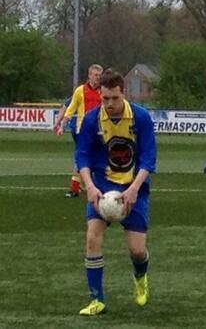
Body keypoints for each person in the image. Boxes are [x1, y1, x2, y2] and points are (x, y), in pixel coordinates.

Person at [75, 69, 157, 316]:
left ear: (124, 93)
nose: (109, 104)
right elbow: (82, 156)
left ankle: (140, 277)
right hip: (101, 187)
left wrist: (133, 189)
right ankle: (96, 300)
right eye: (105, 98)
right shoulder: (92, 119)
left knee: (137, 250)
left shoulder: (140, 118)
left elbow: (148, 157)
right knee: (92, 238)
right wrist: (89, 186)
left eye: (114, 98)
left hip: (133, 188)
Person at [53, 64, 103, 197]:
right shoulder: (80, 90)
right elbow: (70, 109)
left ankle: (95, 185)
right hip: (84, 131)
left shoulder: (103, 91)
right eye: (96, 75)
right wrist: (62, 125)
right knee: (81, 157)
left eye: (100, 75)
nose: (98, 78)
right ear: (89, 75)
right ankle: (74, 188)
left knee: (99, 157)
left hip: (101, 130)